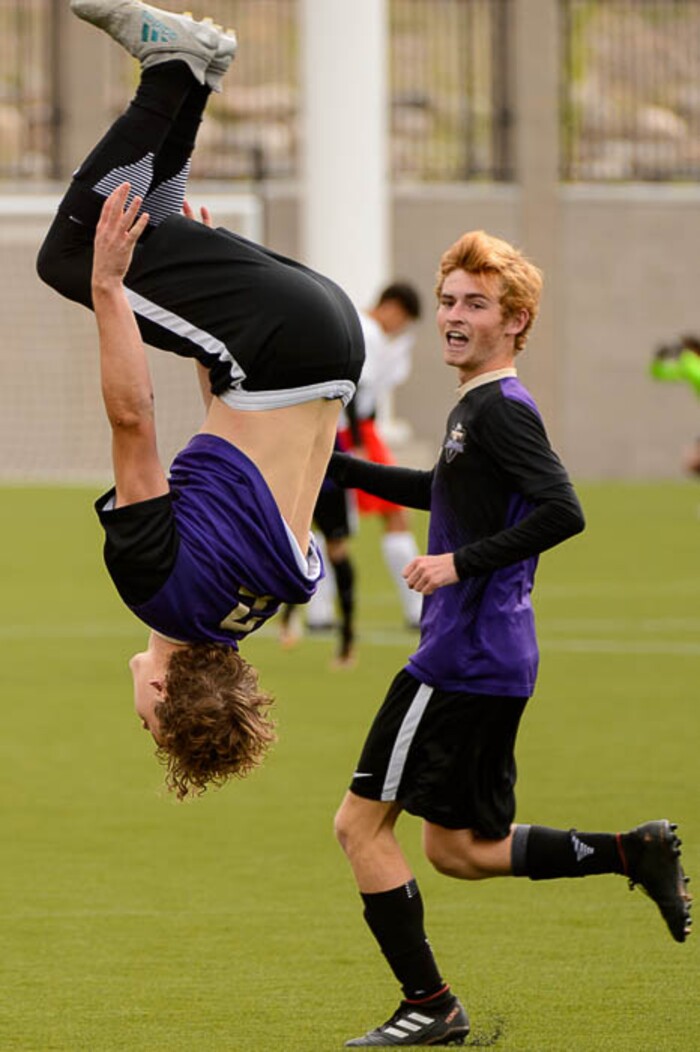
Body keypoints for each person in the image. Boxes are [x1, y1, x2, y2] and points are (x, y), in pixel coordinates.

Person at [328, 231, 692, 1046]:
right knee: (458, 850)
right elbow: (443, 488)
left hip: (458, 659)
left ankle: (430, 1006)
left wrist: (457, 564)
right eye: (450, 301)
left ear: (516, 320)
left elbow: (566, 509)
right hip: (492, 660)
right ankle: (631, 853)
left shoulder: (500, 410)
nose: (455, 317)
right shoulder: (478, 407)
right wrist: (342, 468)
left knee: (358, 828)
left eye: (476, 305)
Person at [36, 0, 364, 800]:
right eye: (147, 723)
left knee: (152, 220)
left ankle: (202, 71)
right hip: (279, 345)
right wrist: (108, 292)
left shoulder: (263, 601)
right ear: (161, 698)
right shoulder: (159, 588)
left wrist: (206, 341)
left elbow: (258, 461)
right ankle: (170, 70)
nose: (137, 712)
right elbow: (132, 423)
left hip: (326, 345)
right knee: (72, 256)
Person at [339, 283, 424, 630]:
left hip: (338, 429)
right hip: (355, 431)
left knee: (328, 525)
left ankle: (318, 614)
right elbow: (359, 384)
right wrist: (360, 441)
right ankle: (416, 610)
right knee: (396, 514)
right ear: (393, 308)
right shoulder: (369, 330)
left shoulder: (349, 320)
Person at [279, 433, 358, 667]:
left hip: (331, 482)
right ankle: (288, 616)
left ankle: (347, 639)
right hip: (299, 480)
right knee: (293, 546)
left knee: (337, 553)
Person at [650, 334, 700, 475]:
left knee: (695, 462)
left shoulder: (692, 365)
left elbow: (695, 372)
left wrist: (686, 358)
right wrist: (658, 359)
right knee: (693, 463)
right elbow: (658, 374)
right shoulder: (690, 366)